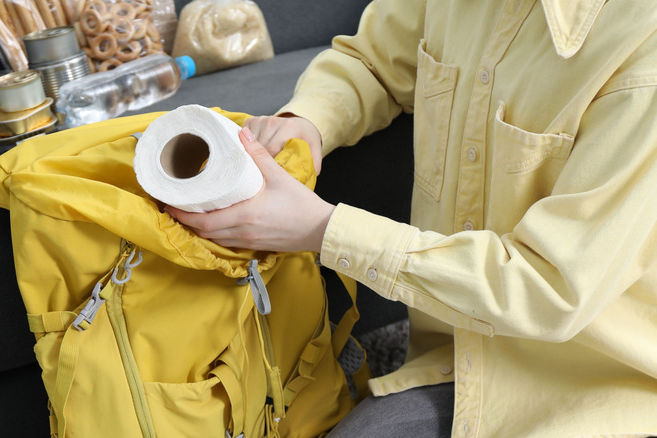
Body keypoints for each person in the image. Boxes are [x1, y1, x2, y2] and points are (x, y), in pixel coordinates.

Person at [166, 0, 657, 436]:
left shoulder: (643, 46)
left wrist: (322, 228)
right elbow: (374, 59)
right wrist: (306, 122)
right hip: (451, 361)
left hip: (596, 387)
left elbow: (551, 288)